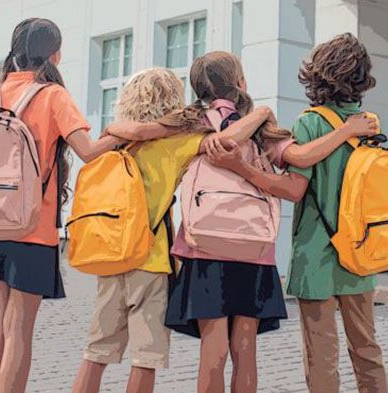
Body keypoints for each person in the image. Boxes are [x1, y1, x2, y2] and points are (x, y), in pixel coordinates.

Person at [108, 51, 378, 393]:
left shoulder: (190, 121)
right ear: (241, 84)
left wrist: (109, 128)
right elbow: (300, 158)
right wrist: (343, 132)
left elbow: (137, 130)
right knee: (245, 349)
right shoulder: (261, 126)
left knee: (214, 349)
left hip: (203, 247)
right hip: (253, 248)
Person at [71, 68, 275, 393]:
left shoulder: (114, 143)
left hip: (109, 255)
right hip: (149, 261)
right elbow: (226, 140)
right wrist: (262, 112)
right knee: (146, 356)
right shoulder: (175, 143)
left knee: (96, 352)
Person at [211, 34, 388, 393]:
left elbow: (293, 189)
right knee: (367, 351)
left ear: (320, 74)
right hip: (360, 250)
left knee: (322, 356)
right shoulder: (369, 122)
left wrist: (245, 171)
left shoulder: (311, 123)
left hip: (317, 254)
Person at [0, 18, 126, 393]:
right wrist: (120, 133)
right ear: (55, 54)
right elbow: (87, 151)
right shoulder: (52, 95)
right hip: (31, 227)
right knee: (19, 329)